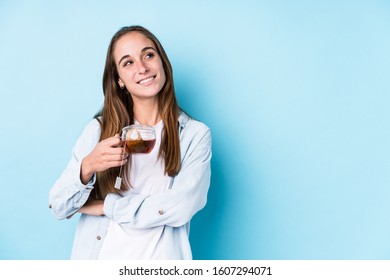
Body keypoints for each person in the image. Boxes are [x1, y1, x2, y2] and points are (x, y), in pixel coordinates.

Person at [49, 25, 212, 260]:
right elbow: (59, 206)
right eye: (128, 62)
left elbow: (182, 206)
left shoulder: (194, 135)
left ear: (162, 62)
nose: (142, 68)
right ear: (119, 80)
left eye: (148, 55)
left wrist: (107, 206)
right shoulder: (98, 131)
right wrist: (88, 165)